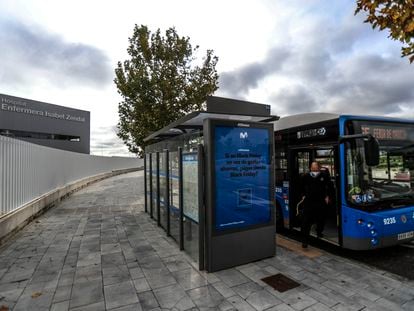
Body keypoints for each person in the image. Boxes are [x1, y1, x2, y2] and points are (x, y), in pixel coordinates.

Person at [299, 161, 331, 248]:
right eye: (312, 166)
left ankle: (319, 231)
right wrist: (303, 195)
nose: (313, 167)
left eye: (315, 165)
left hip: (320, 201)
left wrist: (327, 196)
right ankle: (305, 240)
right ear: (310, 167)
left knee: (321, 218)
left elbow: (328, 186)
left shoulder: (324, 176)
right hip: (309, 201)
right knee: (306, 221)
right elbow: (301, 187)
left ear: (319, 167)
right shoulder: (305, 176)